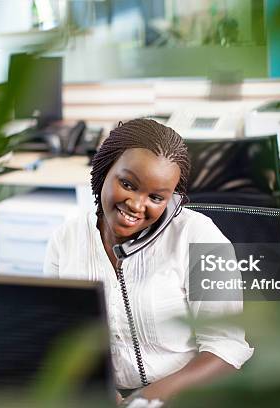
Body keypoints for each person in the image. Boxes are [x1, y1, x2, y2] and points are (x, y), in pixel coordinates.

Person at [44, 119, 253, 404]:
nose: (136, 205)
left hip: (181, 394)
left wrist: (142, 400)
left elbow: (226, 347)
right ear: (105, 169)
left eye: (156, 197)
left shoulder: (200, 238)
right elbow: (57, 332)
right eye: (128, 184)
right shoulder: (65, 239)